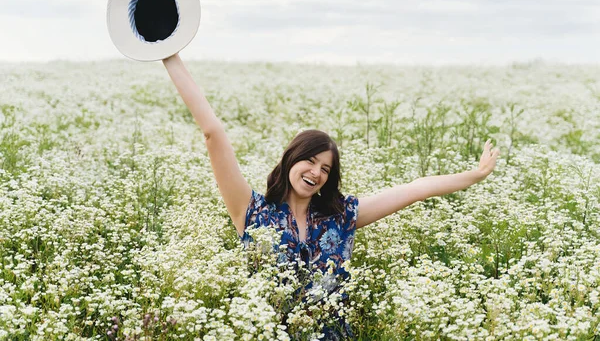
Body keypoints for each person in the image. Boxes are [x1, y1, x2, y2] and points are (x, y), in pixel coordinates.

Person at [162, 54, 500, 340]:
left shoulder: (342, 216)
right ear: (290, 159)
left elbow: (415, 189)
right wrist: (170, 55)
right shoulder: (251, 211)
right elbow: (213, 134)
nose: (315, 172)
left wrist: (475, 175)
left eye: (325, 169)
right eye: (310, 160)